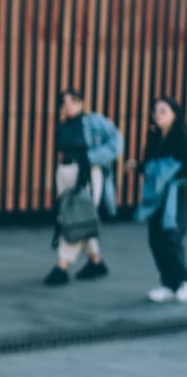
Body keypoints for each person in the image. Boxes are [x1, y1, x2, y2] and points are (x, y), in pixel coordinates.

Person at [43, 89, 123, 285]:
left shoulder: (93, 121)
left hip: (87, 173)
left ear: (82, 103)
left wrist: (91, 157)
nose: (69, 105)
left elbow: (116, 142)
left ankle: (63, 264)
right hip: (65, 171)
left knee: (76, 215)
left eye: (73, 101)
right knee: (73, 214)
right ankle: (95, 261)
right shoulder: (63, 124)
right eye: (65, 102)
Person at [131, 97, 187, 302]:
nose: (157, 114)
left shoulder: (181, 138)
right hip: (157, 196)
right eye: (155, 111)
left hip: (179, 195)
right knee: (155, 239)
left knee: (170, 238)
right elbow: (152, 167)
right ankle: (168, 284)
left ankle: (183, 281)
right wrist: (139, 167)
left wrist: (164, 170)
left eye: (163, 110)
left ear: (175, 115)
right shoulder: (154, 139)